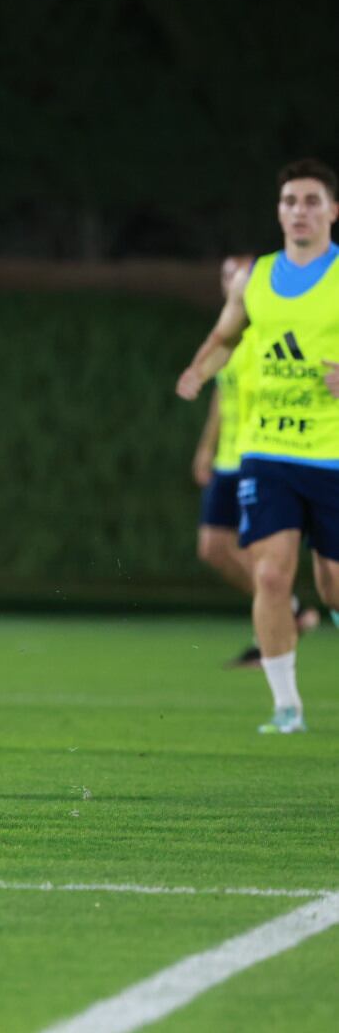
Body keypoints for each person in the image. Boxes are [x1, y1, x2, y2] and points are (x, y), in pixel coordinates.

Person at [177, 158, 339, 734]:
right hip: (267, 453)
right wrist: (200, 369)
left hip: (332, 455)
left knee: (331, 582)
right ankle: (287, 707)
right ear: (279, 211)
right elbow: (226, 333)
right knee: (270, 575)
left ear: (332, 211)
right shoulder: (257, 277)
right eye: (290, 200)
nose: (300, 210)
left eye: (312, 200)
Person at [191, 256, 317, 668]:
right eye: (225, 275)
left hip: (258, 455)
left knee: (267, 560)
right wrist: (206, 447)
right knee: (212, 547)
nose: (231, 281)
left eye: (237, 275)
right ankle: (291, 610)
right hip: (229, 458)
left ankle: (274, 636)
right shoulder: (229, 338)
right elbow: (221, 397)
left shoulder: (265, 333)